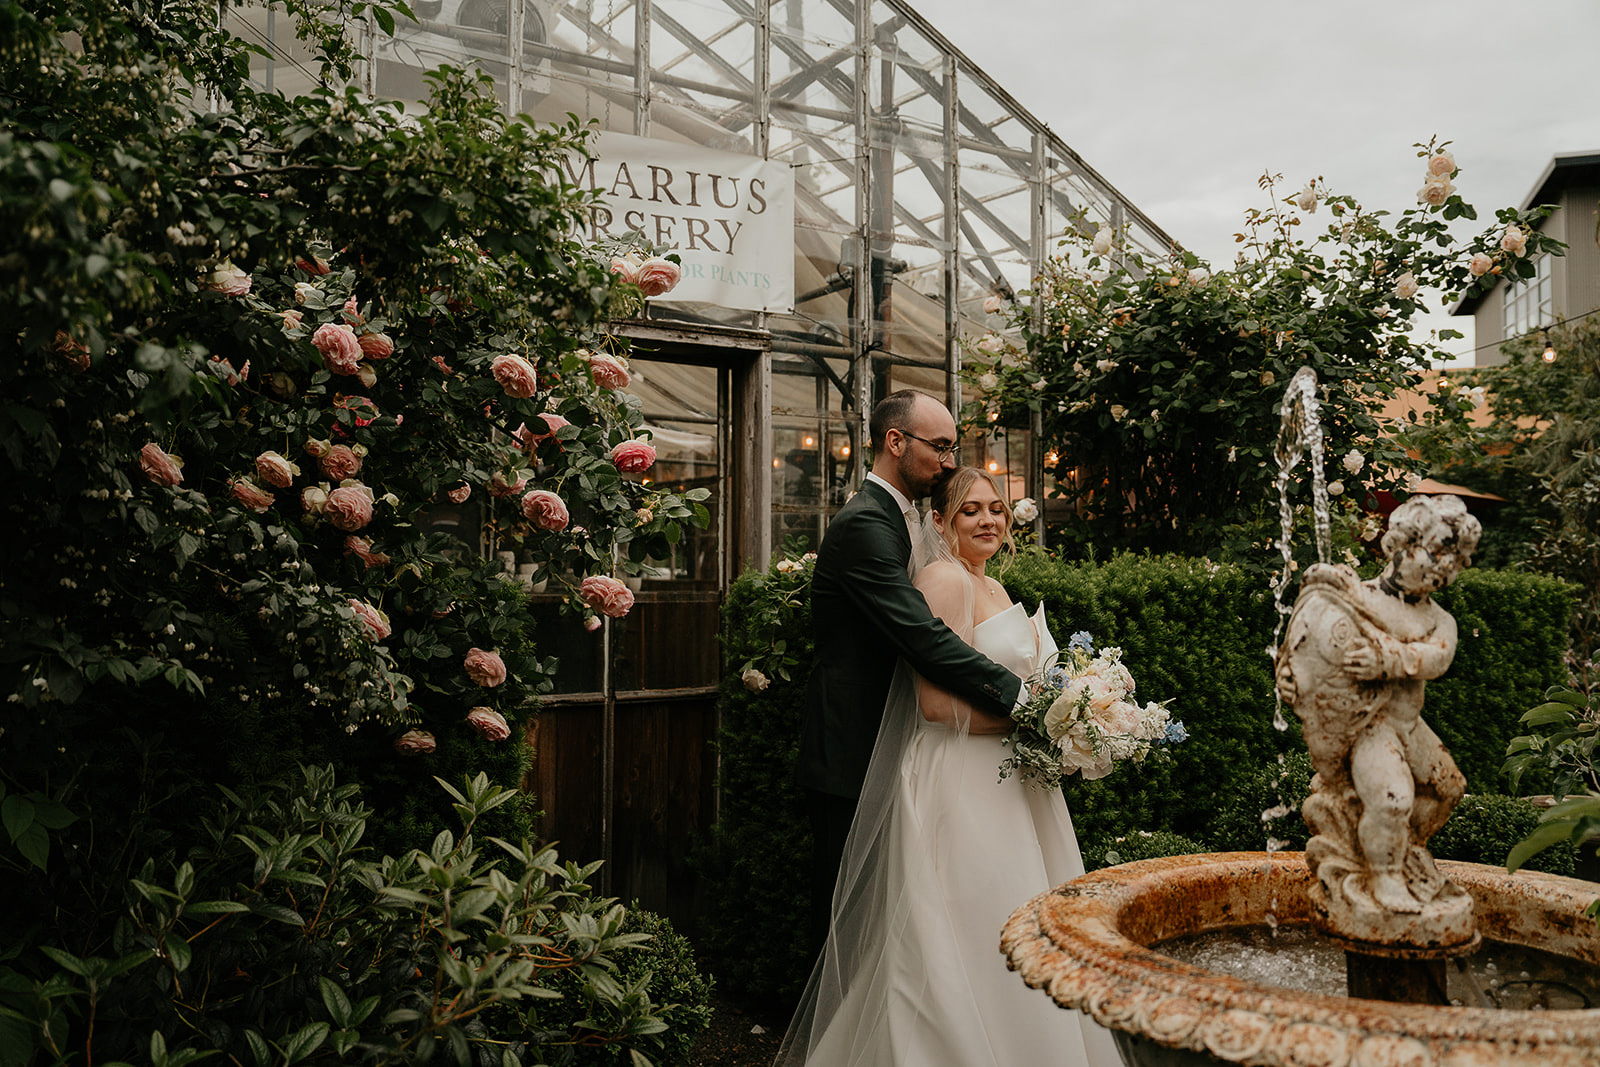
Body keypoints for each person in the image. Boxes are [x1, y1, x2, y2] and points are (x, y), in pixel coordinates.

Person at [777, 467, 1121, 1067]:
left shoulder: (993, 584)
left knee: (1024, 916)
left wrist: (1062, 724)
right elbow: (936, 706)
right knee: (968, 923)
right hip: (960, 779)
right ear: (939, 522)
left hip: (1011, 779)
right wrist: (1049, 725)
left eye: (996, 508)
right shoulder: (943, 580)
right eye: (970, 511)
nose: (989, 519)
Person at [798, 390, 1022, 952]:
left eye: (952, 448)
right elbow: (924, 638)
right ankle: (837, 1040)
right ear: (895, 441)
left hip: (894, 744)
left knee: (886, 913)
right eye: (940, 447)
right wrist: (1027, 699)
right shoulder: (866, 526)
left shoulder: (906, 522)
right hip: (851, 743)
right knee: (847, 918)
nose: (948, 461)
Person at [1277, 494, 1480, 917]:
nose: (1447, 566)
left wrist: (1386, 660)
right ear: (1401, 544)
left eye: (1457, 559)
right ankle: (1383, 875)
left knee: (1449, 789)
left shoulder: (1439, 620)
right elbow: (1306, 649)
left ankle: (1404, 851)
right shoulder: (1351, 598)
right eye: (1439, 550)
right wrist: (1290, 675)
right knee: (1391, 800)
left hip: (1409, 725)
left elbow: (1437, 658)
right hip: (1369, 725)